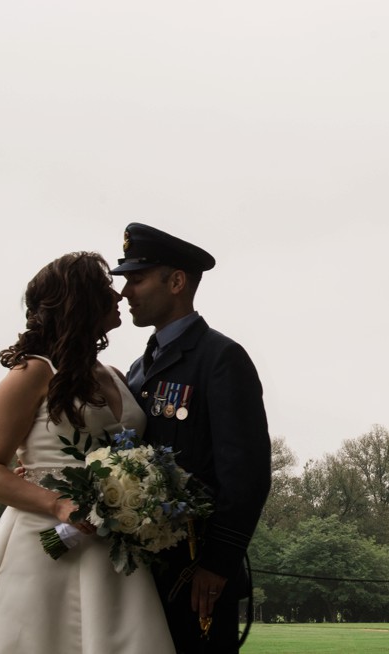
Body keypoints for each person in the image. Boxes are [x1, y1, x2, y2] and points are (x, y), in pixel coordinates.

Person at [0, 252, 175, 654]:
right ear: (78, 302)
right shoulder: (30, 375)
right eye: (103, 288)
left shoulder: (115, 375)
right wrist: (59, 505)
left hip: (113, 550)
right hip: (44, 543)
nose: (117, 295)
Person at [110, 223, 271, 653]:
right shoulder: (138, 369)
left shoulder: (221, 359)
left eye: (137, 279)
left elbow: (247, 475)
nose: (126, 293)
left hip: (195, 577)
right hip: (139, 574)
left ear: (177, 281)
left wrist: (217, 564)